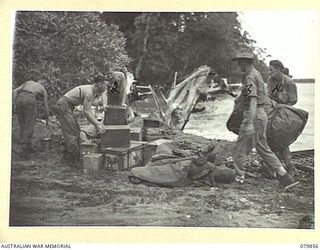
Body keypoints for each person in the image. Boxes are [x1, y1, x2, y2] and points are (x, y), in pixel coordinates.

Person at [231, 49, 299, 189]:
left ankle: (239, 177)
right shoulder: (256, 74)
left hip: (254, 114)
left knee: (240, 147)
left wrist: (249, 122)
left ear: (246, 63)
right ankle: (285, 177)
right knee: (263, 148)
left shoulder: (250, 77)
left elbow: (253, 100)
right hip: (262, 115)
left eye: (240, 63)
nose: (239, 65)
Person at [53, 75, 108, 164]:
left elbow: (92, 104)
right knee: (71, 132)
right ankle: (71, 160)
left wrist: (102, 105)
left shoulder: (92, 91)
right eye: (105, 85)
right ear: (99, 84)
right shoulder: (89, 92)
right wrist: (97, 124)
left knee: (76, 130)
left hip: (68, 106)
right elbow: (86, 112)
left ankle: (73, 155)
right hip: (64, 105)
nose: (106, 88)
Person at [267, 60, 298, 176]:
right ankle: (275, 168)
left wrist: (282, 107)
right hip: (273, 111)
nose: (270, 72)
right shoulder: (271, 80)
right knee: (270, 137)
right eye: (269, 70)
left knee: (283, 140)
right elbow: (268, 95)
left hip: (286, 112)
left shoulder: (289, 83)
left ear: (279, 69)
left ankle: (289, 167)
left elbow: (293, 100)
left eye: (272, 70)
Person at [13, 78, 50, 152]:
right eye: (47, 85)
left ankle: (22, 140)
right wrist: (47, 117)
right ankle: (26, 146)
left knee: (22, 121)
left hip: (19, 98)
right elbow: (46, 105)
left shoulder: (28, 82)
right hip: (30, 98)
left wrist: (14, 104)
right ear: (45, 82)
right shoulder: (42, 88)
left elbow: (15, 91)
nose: (47, 87)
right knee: (30, 121)